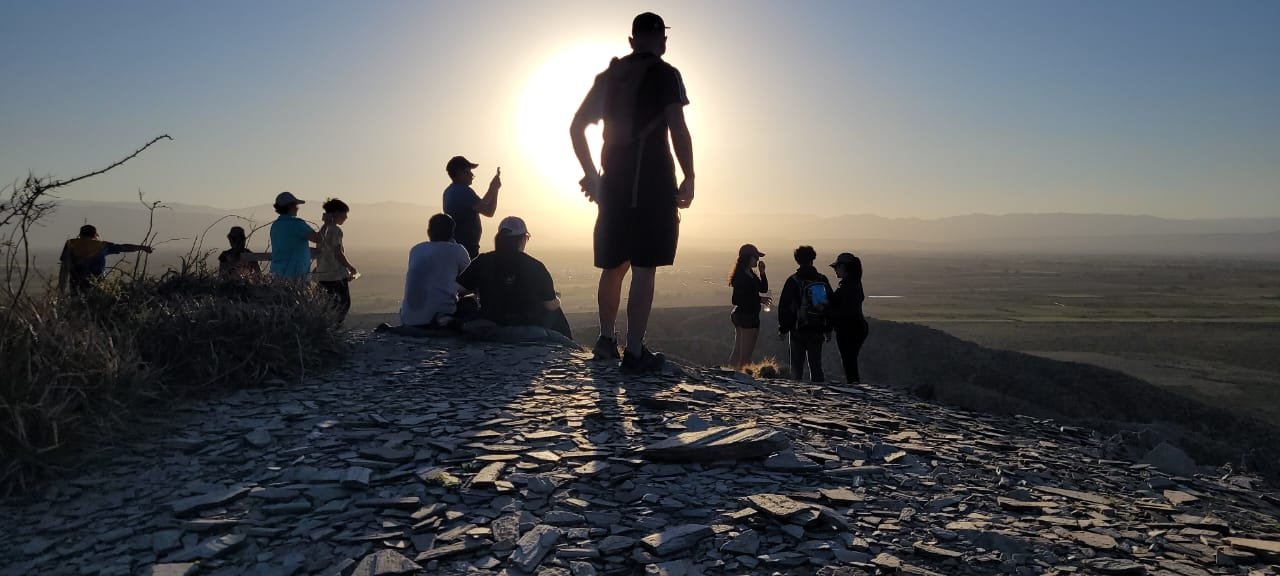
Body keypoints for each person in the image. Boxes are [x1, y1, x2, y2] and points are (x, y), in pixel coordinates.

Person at [571, 11, 694, 373]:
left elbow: (577, 127)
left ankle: (606, 340)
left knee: (613, 265)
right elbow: (678, 127)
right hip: (652, 178)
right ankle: (636, 351)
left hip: (613, 182)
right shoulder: (666, 74)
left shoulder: (609, 77)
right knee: (644, 266)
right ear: (663, 41)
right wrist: (689, 176)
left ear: (631, 40)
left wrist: (592, 175)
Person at [457, 216, 571, 338]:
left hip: (492, 321)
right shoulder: (535, 266)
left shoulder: (483, 261)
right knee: (556, 312)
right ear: (522, 239)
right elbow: (550, 305)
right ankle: (568, 349)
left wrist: (479, 292)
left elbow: (458, 289)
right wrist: (557, 298)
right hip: (528, 324)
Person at [400, 213, 473, 328]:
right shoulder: (457, 250)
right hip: (436, 317)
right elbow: (471, 282)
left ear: (429, 232)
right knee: (470, 304)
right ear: (452, 233)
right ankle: (445, 320)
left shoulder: (416, 249)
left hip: (408, 319)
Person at [777, 246, 834, 382]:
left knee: (796, 367)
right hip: (817, 329)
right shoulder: (821, 279)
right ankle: (819, 396)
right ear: (813, 259)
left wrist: (783, 329)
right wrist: (828, 328)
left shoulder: (793, 280)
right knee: (816, 366)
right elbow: (829, 305)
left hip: (798, 328)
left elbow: (784, 307)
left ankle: (796, 398)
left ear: (797, 260)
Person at [58, 224, 152, 293]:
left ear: (80, 234)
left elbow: (64, 267)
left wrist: (61, 288)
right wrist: (142, 247)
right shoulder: (102, 246)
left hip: (76, 286)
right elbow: (124, 247)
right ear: (95, 235)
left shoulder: (71, 244)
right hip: (97, 286)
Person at [442, 156, 502, 259]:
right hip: (465, 249)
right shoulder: (461, 191)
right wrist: (493, 188)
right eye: (468, 171)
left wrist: (495, 189)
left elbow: (489, 211)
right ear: (459, 172)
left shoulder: (450, 191)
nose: (472, 175)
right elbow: (484, 207)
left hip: (462, 248)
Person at [314, 198, 358, 322]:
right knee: (343, 305)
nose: (346, 217)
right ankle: (334, 330)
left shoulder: (323, 230)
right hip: (335, 275)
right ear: (337, 213)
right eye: (344, 214)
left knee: (327, 306)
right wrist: (350, 267)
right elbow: (337, 252)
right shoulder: (335, 230)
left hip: (323, 275)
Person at [727, 244, 770, 369]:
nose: (757, 260)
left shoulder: (749, 273)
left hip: (742, 315)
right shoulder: (742, 276)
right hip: (747, 316)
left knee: (738, 351)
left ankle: (731, 375)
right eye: (755, 257)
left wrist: (762, 273)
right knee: (745, 356)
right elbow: (737, 299)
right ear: (748, 258)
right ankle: (741, 380)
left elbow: (763, 288)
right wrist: (759, 300)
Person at [829, 252, 869, 383]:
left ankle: (854, 387)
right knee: (849, 360)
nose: (835, 270)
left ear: (844, 267)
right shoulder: (854, 284)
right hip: (856, 327)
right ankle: (854, 386)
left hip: (849, 329)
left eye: (836, 267)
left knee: (848, 361)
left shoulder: (847, 287)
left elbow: (844, 311)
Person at [268, 191, 321, 280]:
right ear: (289, 206)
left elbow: (287, 246)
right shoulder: (297, 224)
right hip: (296, 274)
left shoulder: (275, 225)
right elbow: (318, 238)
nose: (297, 208)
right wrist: (327, 223)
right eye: (296, 205)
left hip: (277, 272)